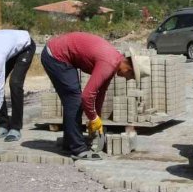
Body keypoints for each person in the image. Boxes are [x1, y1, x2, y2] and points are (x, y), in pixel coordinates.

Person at [41, 32, 151, 160]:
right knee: (74, 100)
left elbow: (100, 93)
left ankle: (69, 143)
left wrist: (96, 118)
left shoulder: (114, 61)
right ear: (128, 69)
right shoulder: (109, 63)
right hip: (55, 55)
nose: (127, 80)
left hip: (62, 56)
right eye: (131, 77)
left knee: (72, 100)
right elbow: (87, 96)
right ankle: (78, 150)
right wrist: (93, 118)